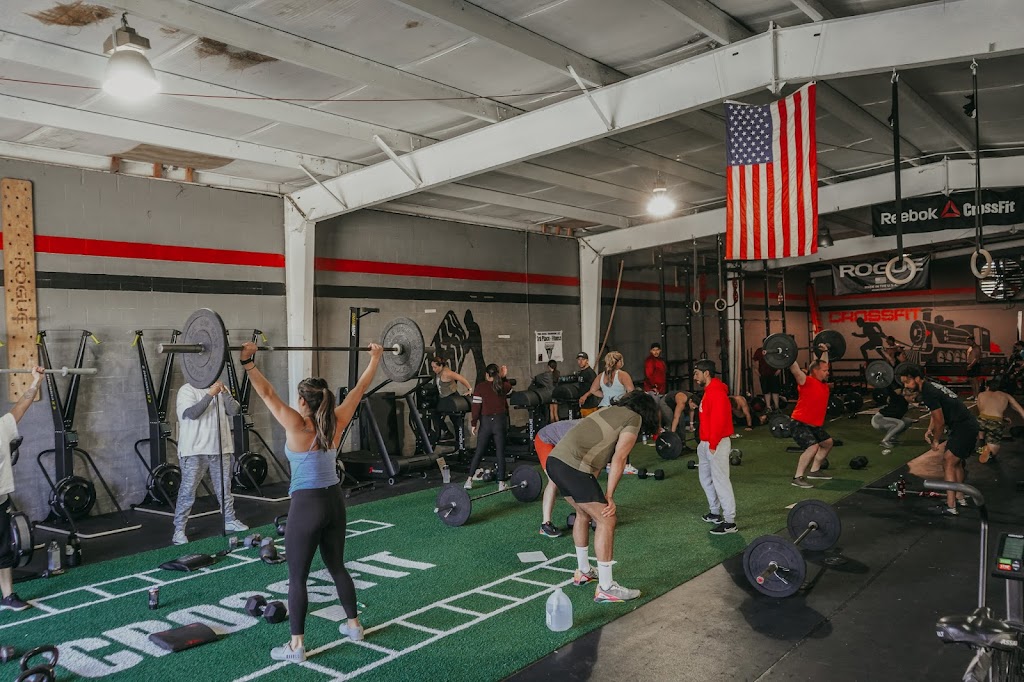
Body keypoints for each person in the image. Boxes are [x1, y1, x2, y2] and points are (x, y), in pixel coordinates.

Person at [239, 341, 384, 662]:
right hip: (335, 502)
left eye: (298, 398)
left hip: (306, 506)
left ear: (303, 401)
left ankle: (296, 646)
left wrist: (248, 362)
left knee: (297, 579)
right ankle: (354, 625)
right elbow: (360, 387)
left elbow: (266, 394)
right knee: (337, 568)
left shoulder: (296, 423)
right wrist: (375, 358)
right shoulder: (337, 419)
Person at [544, 390, 658, 603]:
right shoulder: (634, 417)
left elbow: (592, 459)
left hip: (555, 462)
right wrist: (609, 496)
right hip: (571, 466)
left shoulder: (608, 410)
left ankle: (584, 571)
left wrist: (597, 493)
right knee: (607, 518)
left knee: (583, 513)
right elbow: (620, 457)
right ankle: (606, 587)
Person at [173, 380, 249, 545]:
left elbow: (234, 410)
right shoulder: (186, 390)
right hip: (194, 450)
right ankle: (179, 530)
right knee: (188, 491)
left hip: (221, 447)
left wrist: (224, 392)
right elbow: (192, 413)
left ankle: (229, 519)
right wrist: (210, 394)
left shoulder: (221, 387)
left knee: (224, 488)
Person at [898, 364, 979, 516]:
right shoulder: (930, 386)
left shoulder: (928, 392)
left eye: (907, 382)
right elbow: (936, 412)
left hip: (963, 427)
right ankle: (960, 497)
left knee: (948, 461)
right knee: (956, 463)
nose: (906, 385)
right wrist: (930, 428)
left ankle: (951, 506)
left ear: (917, 379)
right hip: (965, 425)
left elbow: (940, 421)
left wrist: (936, 439)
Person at [0, 367, 44, 611]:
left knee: (3, 550)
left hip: (0, 500)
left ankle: (7, 596)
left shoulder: (2, 427)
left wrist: (36, 382)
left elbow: (22, 406)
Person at [693, 361, 738, 535]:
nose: (695, 377)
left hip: (716, 443)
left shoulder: (717, 393)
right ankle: (714, 512)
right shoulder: (708, 392)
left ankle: (730, 522)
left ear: (706, 373)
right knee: (705, 479)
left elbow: (719, 421)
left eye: (697, 373)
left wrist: (712, 444)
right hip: (705, 443)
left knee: (721, 481)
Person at [788, 343, 834, 488]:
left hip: (813, 425)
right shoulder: (806, 381)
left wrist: (825, 351)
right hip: (799, 423)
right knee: (812, 447)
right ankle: (797, 477)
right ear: (815, 371)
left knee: (827, 443)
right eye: (825, 371)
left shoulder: (823, 384)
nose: (828, 372)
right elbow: (795, 370)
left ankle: (814, 471)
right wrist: (788, 354)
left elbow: (824, 363)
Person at [465, 364, 514, 490]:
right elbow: (509, 388)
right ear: (498, 374)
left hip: (486, 422)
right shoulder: (503, 385)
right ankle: (501, 483)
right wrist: (504, 377)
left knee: (479, 452)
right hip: (500, 421)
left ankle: (469, 480)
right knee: (500, 452)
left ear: (486, 375)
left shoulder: (480, 387)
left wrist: (474, 423)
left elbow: (476, 408)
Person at [534, 418, 581, 538]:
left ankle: (582, 512)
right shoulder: (579, 433)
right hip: (544, 440)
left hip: (559, 441)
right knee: (554, 480)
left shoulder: (591, 431)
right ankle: (545, 525)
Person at [975, 379, 1024, 463]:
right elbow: (1020, 410)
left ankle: (981, 443)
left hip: (981, 421)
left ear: (987, 387)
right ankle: (990, 451)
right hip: (995, 422)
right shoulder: (1006, 395)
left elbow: (982, 410)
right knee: (994, 448)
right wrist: (1002, 418)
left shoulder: (981, 394)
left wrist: (1003, 417)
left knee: (982, 424)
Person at [428, 356, 472, 443]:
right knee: (434, 414)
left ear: (441, 366)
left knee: (456, 420)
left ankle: (459, 443)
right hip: (444, 398)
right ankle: (447, 433)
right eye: (432, 367)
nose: (433, 369)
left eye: (435, 367)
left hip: (452, 397)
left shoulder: (447, 373)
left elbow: (461, 378)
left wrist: (469, 389)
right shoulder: (439, 372)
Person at [871, 384, 911, 453]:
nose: (913, 398)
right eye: (911, 396)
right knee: (900, 423)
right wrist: (887, 381)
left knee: (908, 421)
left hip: (887, 420)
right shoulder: (896, 399)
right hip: (878, 420)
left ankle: (893, 438)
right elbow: (890, 391)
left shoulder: (905, 404)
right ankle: (884, 441)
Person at [752, 347, 781, 412]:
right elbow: (756, 361)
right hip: (763, 374)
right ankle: (768, 407)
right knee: (766, 391)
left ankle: (777, 407)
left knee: (775, 390)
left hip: (774, 373)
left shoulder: (775, 350)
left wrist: (779, 369)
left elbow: (780, 360)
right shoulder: (759, 351)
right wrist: (756, 371)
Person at [533, 360, 560, 424]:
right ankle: (558, 426)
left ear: (548, 366)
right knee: (556, 413)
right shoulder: (557, 373)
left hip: (550, 395)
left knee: (551, 412)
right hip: (556, 394)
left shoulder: (546, 375)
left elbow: (537, 378)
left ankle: (552, 427)